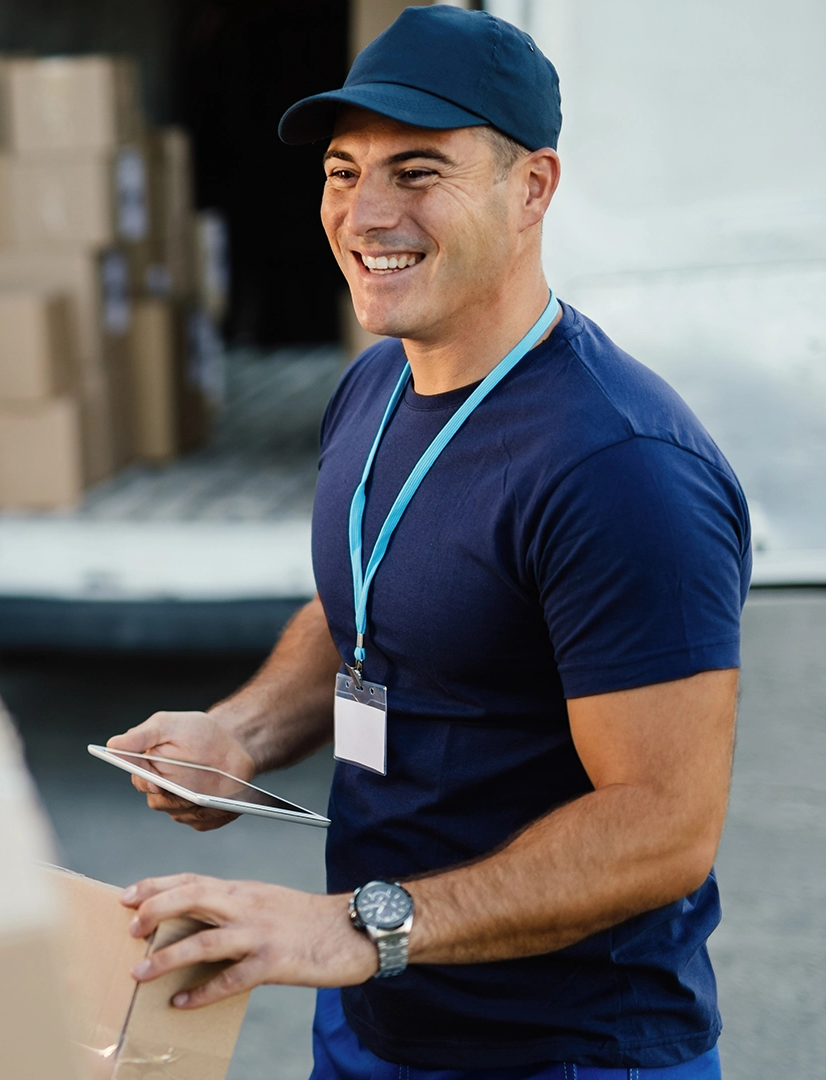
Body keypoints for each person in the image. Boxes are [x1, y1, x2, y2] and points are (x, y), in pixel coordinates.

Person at [105, 8, 746, 1078]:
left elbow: (663, 826)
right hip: (377, 1017)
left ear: (532, 187)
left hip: (562, 1051)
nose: (366, 213)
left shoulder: (620, 467)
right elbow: (369, 604)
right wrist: (240, 733)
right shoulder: (376, 385)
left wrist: (353, 927)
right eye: (343, 171)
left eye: (417, 171)